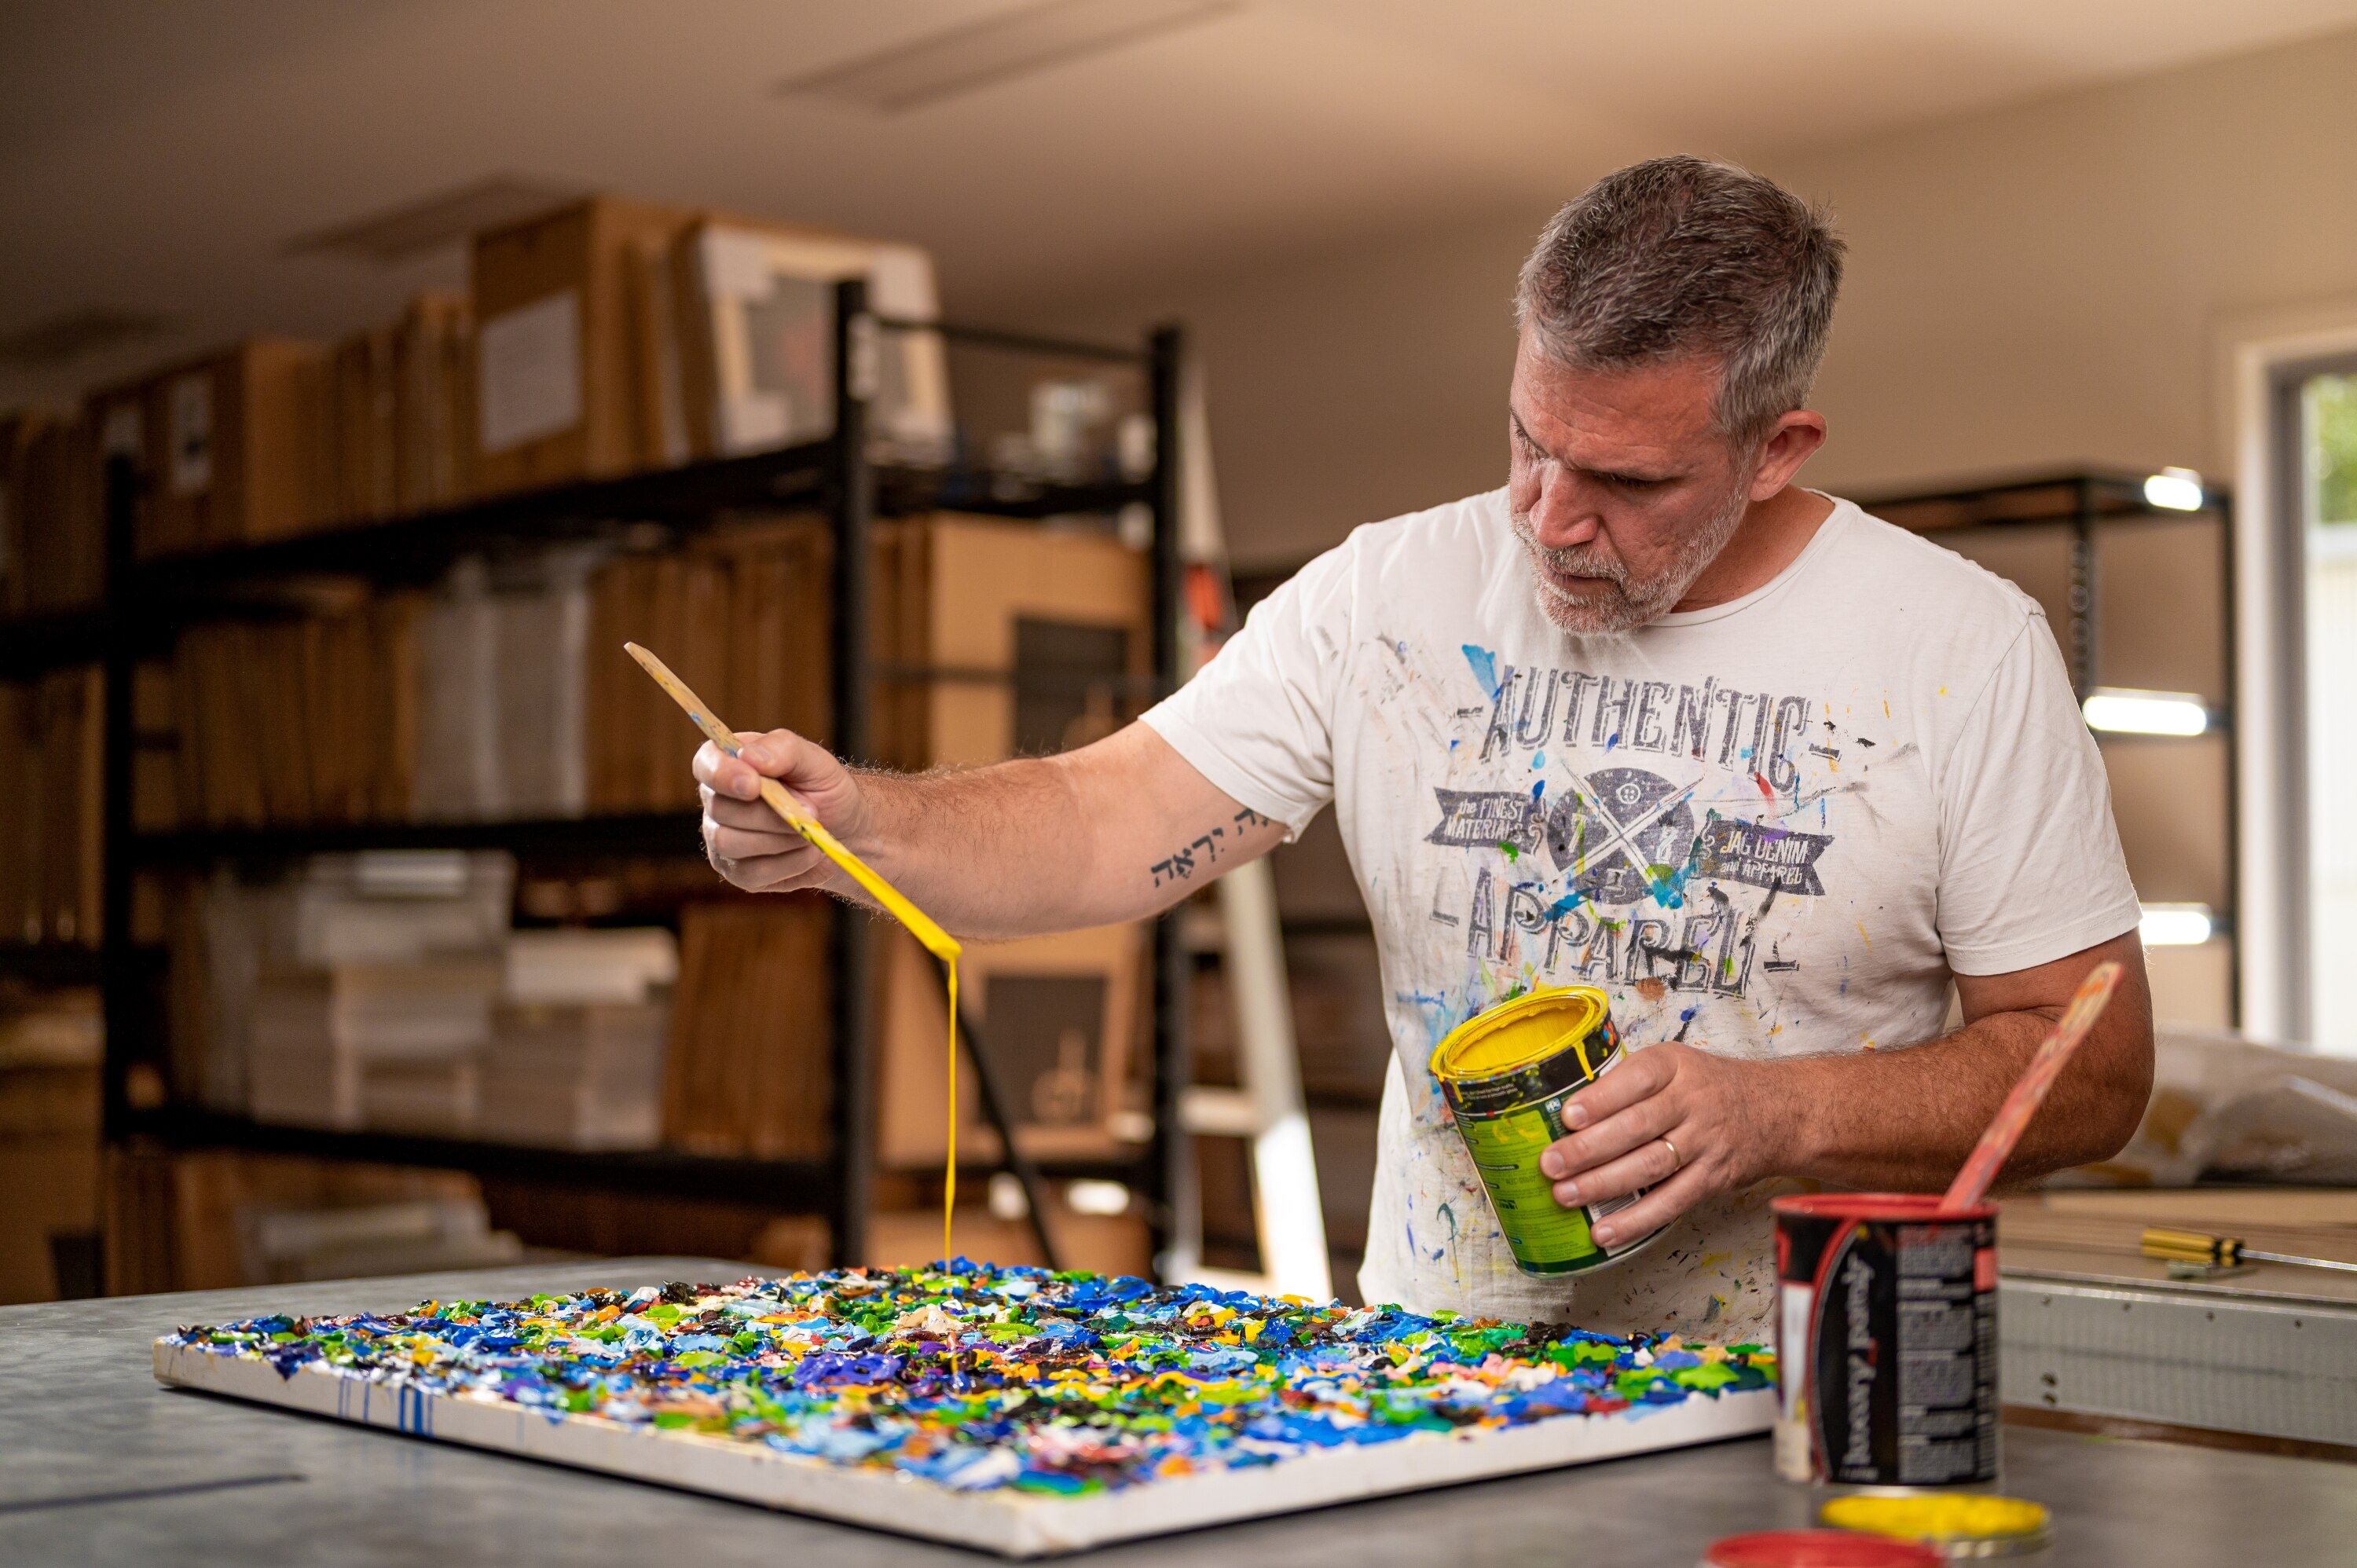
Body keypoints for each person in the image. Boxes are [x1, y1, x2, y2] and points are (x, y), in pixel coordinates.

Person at [693, 156, 2154, 1343]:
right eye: (1528, 442)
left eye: (1627, 479)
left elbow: (2093, 1067)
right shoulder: (1383, 597)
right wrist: (858, 824)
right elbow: (1104, 817)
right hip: (1436, 1382)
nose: (1549, 519)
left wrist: (1782, 1114)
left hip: (1816, 1383)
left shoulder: (1961, 648)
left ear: (1778, 449)